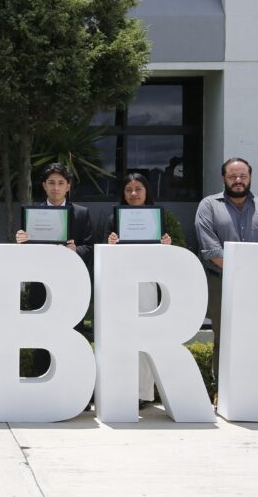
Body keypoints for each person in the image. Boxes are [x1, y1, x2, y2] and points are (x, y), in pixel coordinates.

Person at [195, 157, 258, 394]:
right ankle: (222, 390)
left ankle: (255, 389)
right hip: (221, 282)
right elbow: (211, 249)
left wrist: (252, 274)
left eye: (242, 176)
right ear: (224, 178)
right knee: (223, 338)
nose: (238, 180)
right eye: (232, 176)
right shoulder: (209, 205)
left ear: (250, 177)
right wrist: (245, 271)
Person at [105, 172, 186, 408]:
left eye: (138, 189)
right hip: (121, 285)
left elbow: (176, 254)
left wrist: (168, 246)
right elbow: (103, 254)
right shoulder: (113, 218)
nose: (133, 194)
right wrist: (110, 244)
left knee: (146, 339)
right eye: (128, 189)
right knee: (121, 338)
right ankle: (119, 388)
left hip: (149, 285)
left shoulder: (162, 217)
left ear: (147, 191)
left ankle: (142, 393)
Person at [15, 162, 94, 377]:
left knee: (72, 335)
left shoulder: (81, 213)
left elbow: (90, 247)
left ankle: (74, 384)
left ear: (68, 186)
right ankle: (42, 385)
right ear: (44, 186)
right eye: (51, 183)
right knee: (42, 336)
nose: (56, 188)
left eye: (61, 183)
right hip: (42, 285)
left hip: (71, 285)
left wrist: (76, 249)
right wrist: (21, 241)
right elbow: (25, 253)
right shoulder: (33, 213)